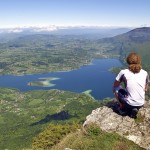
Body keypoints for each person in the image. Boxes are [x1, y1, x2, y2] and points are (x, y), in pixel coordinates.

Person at [113, 52, 149, 118]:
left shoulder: (123, 72)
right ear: (139, 61)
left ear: (128, 61)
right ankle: (135, 108)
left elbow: (115, 85)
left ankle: (122, 108)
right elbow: (145, 88)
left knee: (115, 88)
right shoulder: (145, 73)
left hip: (129, 104)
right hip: (141, 103)